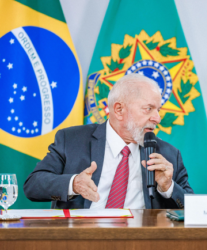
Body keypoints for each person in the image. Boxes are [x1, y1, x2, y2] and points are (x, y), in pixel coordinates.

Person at [24, 73, 193, 209]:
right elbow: (33, 186)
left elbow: (192, 208)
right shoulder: (71, 140)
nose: (157, 118)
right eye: (148, 109)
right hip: (81, 239)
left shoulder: (168, 154)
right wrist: (73, 184)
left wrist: (168, 187)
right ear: (119, 110)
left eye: (158, 109)